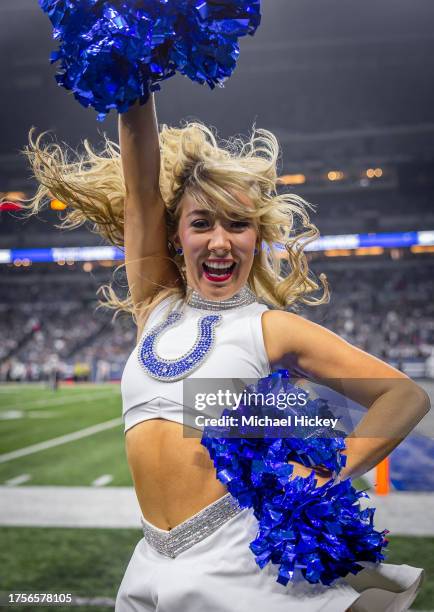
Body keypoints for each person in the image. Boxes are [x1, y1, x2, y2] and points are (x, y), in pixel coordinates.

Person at [24, 95, 430, 611]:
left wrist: (329, 472)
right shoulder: (156, 303)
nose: (220, 241)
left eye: (238, 224)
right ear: (175, 236)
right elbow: (142, 187)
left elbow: (405, 397)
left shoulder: (270, 328)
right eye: (202, 224)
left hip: (239, 558)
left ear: (256, 238)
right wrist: (135, 83)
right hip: (151, 557)